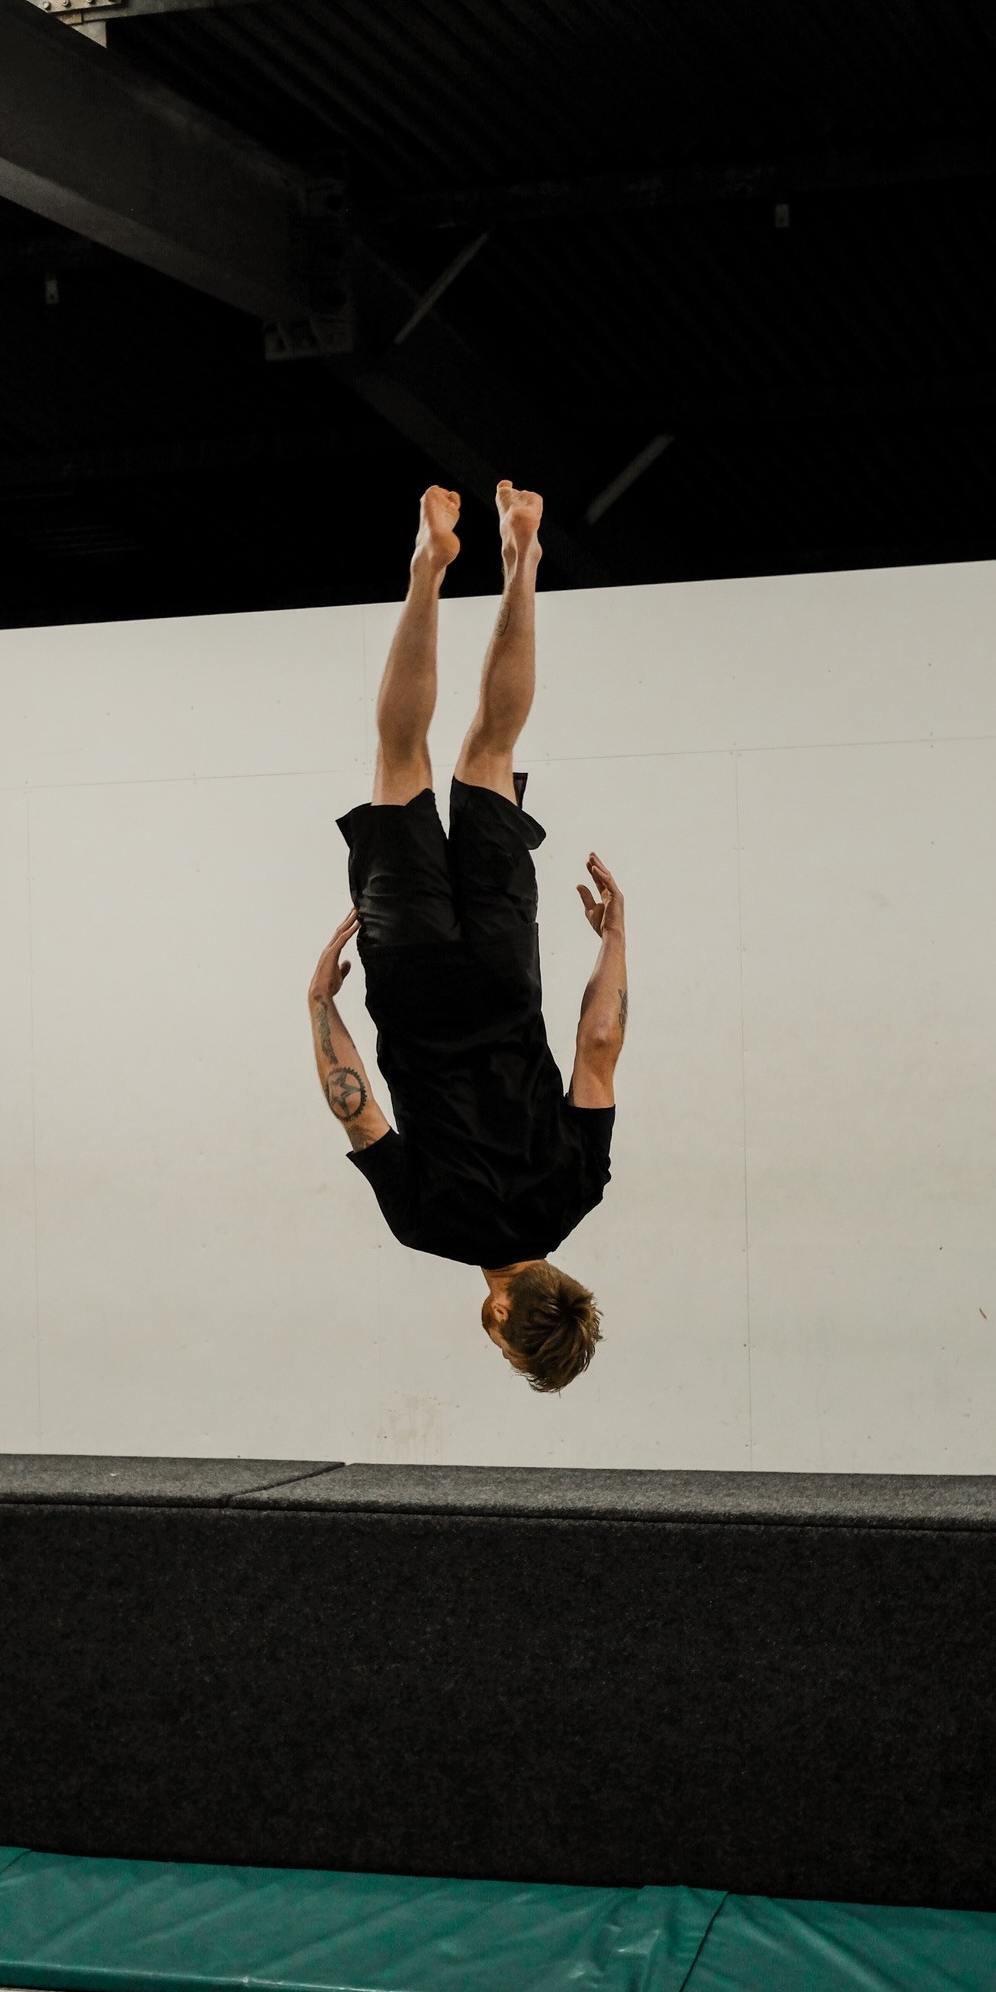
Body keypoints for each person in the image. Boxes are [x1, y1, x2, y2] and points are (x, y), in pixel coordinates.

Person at [307, 481, 626, 1394]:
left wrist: (614, 940)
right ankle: (426, 571)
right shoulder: (430, 1228)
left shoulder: (578, 1191)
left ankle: (521, 562)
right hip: (409, 983)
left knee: (490, 748)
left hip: (501, 973)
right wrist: (320, 1006)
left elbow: (596, 1045)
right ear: (502, 1316)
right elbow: (355, 1106)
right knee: (399, 763)